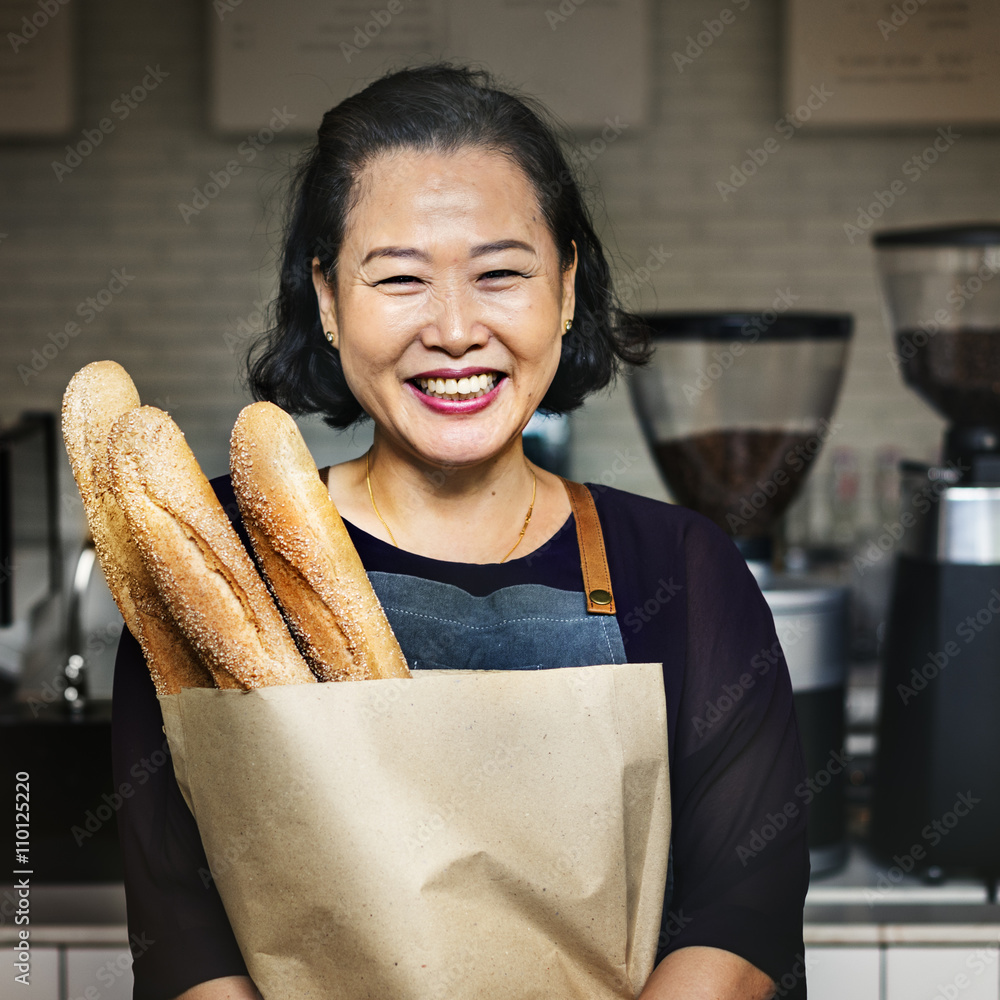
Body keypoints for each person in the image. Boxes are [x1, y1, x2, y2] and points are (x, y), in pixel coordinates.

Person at [112, 64, 809, 1000]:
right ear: (326, 299)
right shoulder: (213, 563)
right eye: (399, 278)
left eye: (500, 275)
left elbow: (743, 913)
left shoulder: (679, 569)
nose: (453, 330)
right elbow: (182, 940)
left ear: (565, 287)